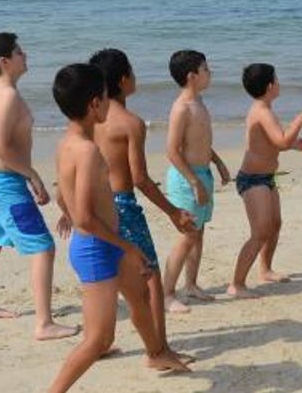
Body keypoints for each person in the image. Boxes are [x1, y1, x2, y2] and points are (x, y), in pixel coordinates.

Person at [47, 64, 189, 392]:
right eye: (107, 98)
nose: (110, 104)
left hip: (105, 244)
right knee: (99, 339)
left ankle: (157, 353)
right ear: (95, 104)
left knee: (140, 297)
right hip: (97, 249)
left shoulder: (66, 142)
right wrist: (128, 246)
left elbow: (61, 196)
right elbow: (84, 218)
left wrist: (74, 213)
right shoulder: (86, 152)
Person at [87, 49, 198, 359]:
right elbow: (140, 179)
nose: (136, 77)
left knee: (104, 278)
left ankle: (99, 343)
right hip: (122, 205)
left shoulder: (90, 119)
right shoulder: (131, 123)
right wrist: (173, 212)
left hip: (95, 206)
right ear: (123, 80)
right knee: (149, 277)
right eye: (132, 72)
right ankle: (159, 350)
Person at [0, 32, 78, 340]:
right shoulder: (6, 96)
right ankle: (44, 324)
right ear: (4, 61)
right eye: (19, 52)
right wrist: (32, 175)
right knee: (43, 247)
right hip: (4, 181)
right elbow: (1, 146)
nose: (25, 55)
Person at [229, 63, 302, 298]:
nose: (279, 82)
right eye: (276, 78)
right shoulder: (262, 112)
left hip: (265, 178)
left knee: (275, 225)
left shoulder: (264, 108)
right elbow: (282, 141)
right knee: (260, 232)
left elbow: (274, 143)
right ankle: (236, 284)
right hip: (253, 180)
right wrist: (298, 122)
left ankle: (265, 269)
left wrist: (294, 145)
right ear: (269, 86)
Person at [163, 50, 232, 309]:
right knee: (187, 234)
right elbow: (172, 150)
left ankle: (190, 285)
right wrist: (193, 182)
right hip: (186, 178)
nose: (209, 72)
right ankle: (167, 293)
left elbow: (201, 142)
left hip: (202, 173)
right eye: (205, 69)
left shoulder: (199, 103)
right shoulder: (182, 108)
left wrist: (218, 162)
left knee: (199, 233)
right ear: (191, 76)